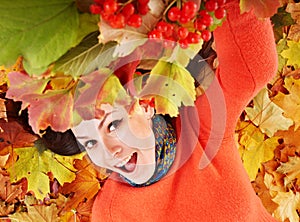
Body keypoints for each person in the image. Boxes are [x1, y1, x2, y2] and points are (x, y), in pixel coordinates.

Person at [43, 0, 278, 221]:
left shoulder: (199, 132)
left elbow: (251, 71)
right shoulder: (111, 214)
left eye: (113, 126)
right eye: (91, 143)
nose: (110, 152)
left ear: (145, 106)